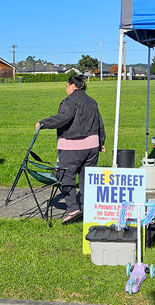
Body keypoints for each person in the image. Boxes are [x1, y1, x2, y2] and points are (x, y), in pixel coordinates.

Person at [36, 75, 105, 225]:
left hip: (72, 146)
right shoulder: (92, 101)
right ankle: (88, 211)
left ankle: (73, 210)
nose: (66, 89)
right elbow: (99, 122)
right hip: (92, 146)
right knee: (87, 180)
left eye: (66, 86)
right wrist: (101, 141)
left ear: (72, 86)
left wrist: (43, 123)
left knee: (66, 177)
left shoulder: (70, 100)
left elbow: (64, 117)